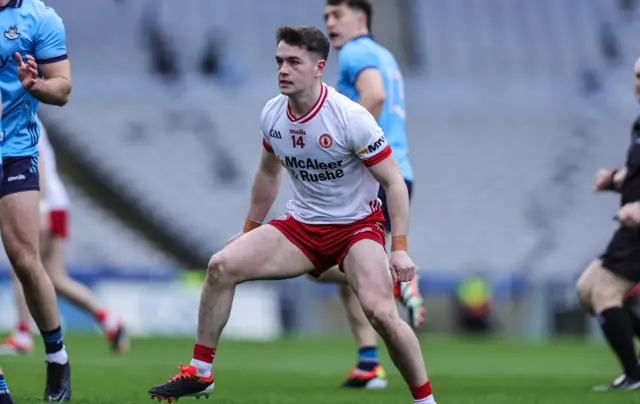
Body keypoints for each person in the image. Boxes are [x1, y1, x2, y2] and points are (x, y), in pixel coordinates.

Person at [148, 26, 437, 404]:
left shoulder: (351, 118)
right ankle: (200, 373)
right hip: (302, 227)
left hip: (356, 230)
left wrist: (399, 248)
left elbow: (395, 183)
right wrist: (249, 230)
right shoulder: (272, 114)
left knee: (381, 314)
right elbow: (269, 173)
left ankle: (424, 400)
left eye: (293, 62)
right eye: (279, 61)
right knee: (220, 266)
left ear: (319, 67)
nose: (283, 70)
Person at [321, 0, 424, 389]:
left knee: (329, 264)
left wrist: (345, 146)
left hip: (373, 172)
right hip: (397, 170)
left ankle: (396, 280)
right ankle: (368, 363)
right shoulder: (383, 54)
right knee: (347, 267)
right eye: (326, 17)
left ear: (360, 18)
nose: (330, 23)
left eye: (337, 15)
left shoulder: (356, 51)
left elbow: (375, 95)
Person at [0, 124, 128, 355]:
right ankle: (109, 320)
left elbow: (37, 162)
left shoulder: (22, 118)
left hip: (43, 203)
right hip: (56, 204)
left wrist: (41, 206)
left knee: (22, 266)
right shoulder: (26, 115)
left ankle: (22, 334)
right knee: (56, 277)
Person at [0, 0, 72, 400]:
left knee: (24, 258)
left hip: (14, 151)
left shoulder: (41, 19)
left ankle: (57, 357)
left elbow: (62, 88)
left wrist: (36, 86)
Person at [577, 56, 640, 391]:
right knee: (587, 290)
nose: (639, 83)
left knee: (603, 291)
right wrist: (614, 180)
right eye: (637, 76)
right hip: (630, 228)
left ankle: (634, 374)